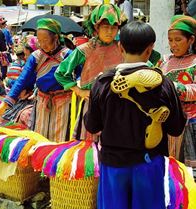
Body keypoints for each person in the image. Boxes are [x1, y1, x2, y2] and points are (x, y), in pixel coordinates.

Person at [84, 21, 187, 209]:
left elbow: (92, 126)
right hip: (149, 163)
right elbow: (176, 127)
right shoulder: (164, 84)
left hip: (113, 164)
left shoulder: (102, 82)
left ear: (120, 47)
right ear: (150, 50)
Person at [0, 18, 73, 142]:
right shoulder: (36, 57)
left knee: (60, 141)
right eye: (39, 41)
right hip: (42, 102)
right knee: (40, 139)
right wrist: (5, 103)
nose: (42, 45)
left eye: (45, 40)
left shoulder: (68, 55)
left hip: (64, 103)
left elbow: (80, 77)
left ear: (56, 37)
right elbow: (22, 79)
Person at [55, 4, 123, 140]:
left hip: (118, 106)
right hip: (91, 105)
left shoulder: (122, 48)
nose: (110, 31)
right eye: (105, 27)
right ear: (96, 28)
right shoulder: (85, 49)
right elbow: (61, 73)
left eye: (114, 27)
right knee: (88, 151)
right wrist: (79, 91)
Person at [159, 15, 196, 175]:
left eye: (178, 39)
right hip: (167, 122)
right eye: (170, 40)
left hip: (190, 123)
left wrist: (172, 87)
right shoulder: (164, 61)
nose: (173, 44)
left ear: (191, 40)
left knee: (188, 172)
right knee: (169, 169)